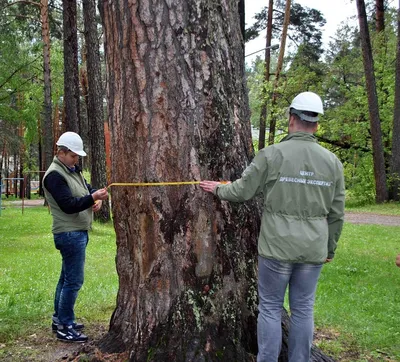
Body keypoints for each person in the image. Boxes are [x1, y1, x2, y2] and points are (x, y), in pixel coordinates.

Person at [200, 92, 345, 362]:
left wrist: (219, 189)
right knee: (303, 309)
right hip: (313, 249)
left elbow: (242, 191)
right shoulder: (332, 163)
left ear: (291, 118)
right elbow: (337, 213)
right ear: (316, 124)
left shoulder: (272, 155)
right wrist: (330, 248)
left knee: (270, 308)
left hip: (276, 248)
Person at [43, 131, 108, 343]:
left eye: (77, 156)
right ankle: (65, 325)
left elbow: (87, 190)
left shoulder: (72, 170)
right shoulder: (54, 176)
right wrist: (92, 198)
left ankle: (59, 319)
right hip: (68, 234)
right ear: (60, 153)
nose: (76, 159)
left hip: (77, 232)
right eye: (73, 155)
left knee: (65, 279)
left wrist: (94, 197)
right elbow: (69, 205)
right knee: (74, 281)